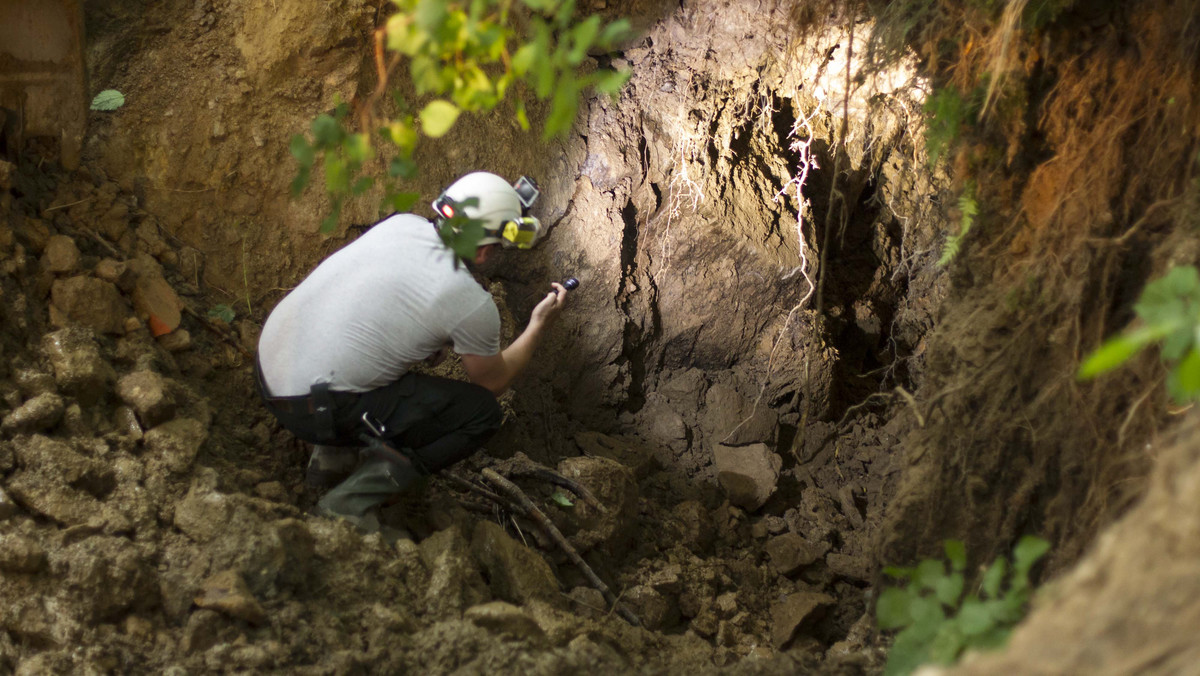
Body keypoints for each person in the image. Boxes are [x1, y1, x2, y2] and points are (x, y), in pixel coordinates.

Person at [255, 171, 570, 530]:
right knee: (480, 413)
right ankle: (348, 504)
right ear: (484, 251)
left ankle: (331, 462)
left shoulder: (401, 224)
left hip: (269, 365)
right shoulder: (469, 301)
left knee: (378, 362)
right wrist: (537, 324)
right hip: (309, 410)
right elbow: (493, 382)